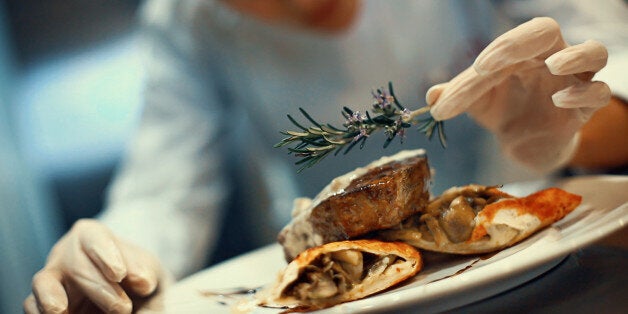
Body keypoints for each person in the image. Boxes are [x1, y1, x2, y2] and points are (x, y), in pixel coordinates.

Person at [24, 0, 628, 313]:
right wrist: (114, 256)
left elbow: (616, 70)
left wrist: (567, 130)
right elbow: (165, 191)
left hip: (559, 266)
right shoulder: (187, 19)